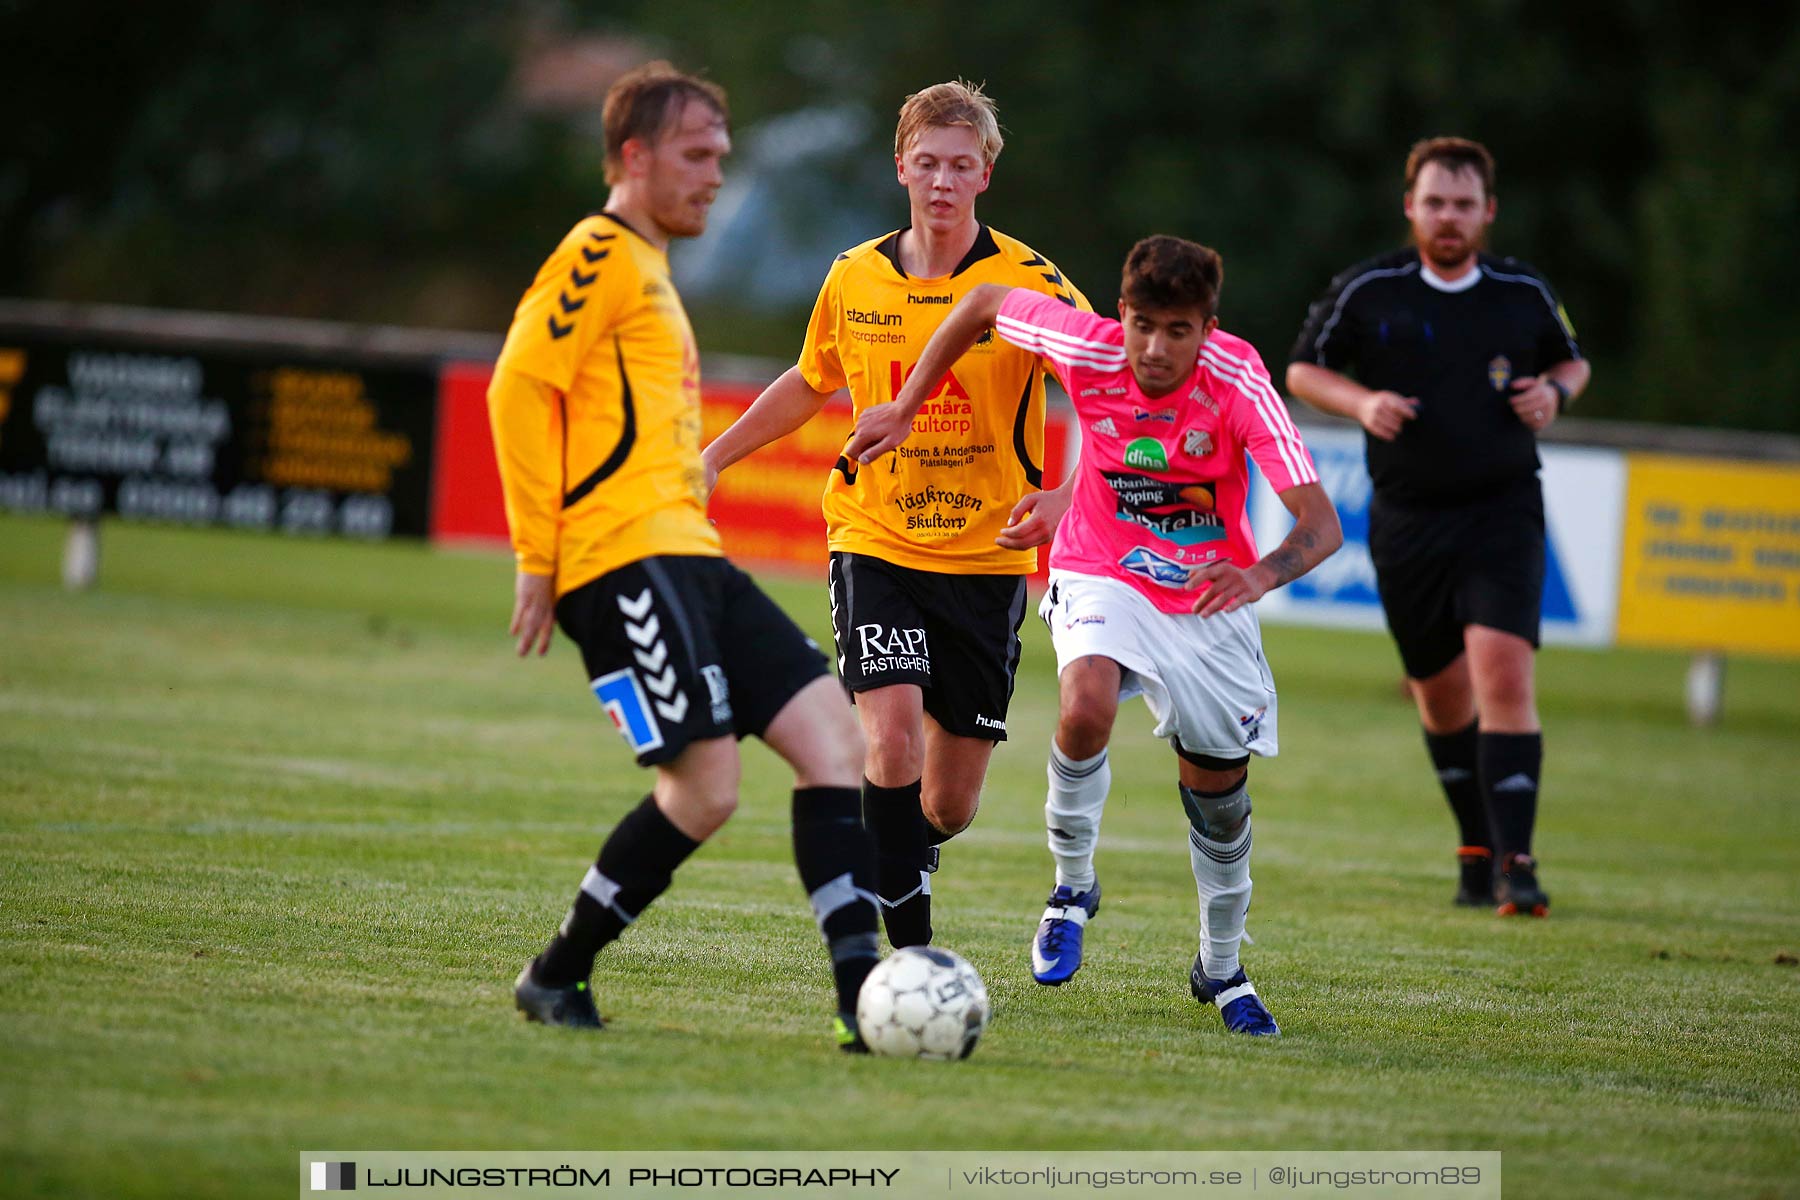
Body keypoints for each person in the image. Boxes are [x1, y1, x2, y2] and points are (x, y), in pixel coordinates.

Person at [849, 236, 1342, 1035]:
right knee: (1083, 705)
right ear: (1120, 315)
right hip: (1099, 563)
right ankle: (1071, 886)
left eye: (1176, 330)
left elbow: (1319, 526)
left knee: (1218, 796)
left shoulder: (1239, 378)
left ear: (1207, 329)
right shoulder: (1086, 342)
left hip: (1204, 593)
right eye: (1142, 324)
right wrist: (905, 406)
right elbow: (978, 304)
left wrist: (1258, 577)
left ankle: (1221, 967)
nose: (1154, 348)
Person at [487, 62, 882, 1052]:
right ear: (635, 154)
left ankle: (863, 1000)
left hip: (688, 557)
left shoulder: (652, 269)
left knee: (833, 740)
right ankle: (555, 973)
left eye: (722, 155)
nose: (715, 175)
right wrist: (540, 556)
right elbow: (518, 387)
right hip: (621, 562)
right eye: (698, 154)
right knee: (705, 791)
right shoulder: (601, 250)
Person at [702, 81, 1088, 950]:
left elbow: (1106, 395)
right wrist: (714, 458)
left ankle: (904, 847)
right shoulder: (853, 276)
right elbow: (810, 381)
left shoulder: (1030, 282)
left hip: (987, 560)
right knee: (892, 737)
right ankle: (907, 962)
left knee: (946, 803)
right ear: (900, 168)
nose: (942, 182)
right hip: (874, 539)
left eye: (961, 165)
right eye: (927, 164)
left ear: (986, 173)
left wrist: (1068, 496)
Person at [1286, 137, 1590, 917]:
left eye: (1462, 204)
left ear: (1487, 212)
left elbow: (1572, 360)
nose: (1448, 217)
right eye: (1434, 202)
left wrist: (1554, 393)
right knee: (1443, 698)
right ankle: (1476, 848)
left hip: (1503, 511)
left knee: (1504, 675)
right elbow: (1301, 368)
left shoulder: (1521, 291)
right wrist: (1361, 403)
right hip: (1406, 520)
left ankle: (1518, 866)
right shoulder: (1371, 290)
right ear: (1410, 207)